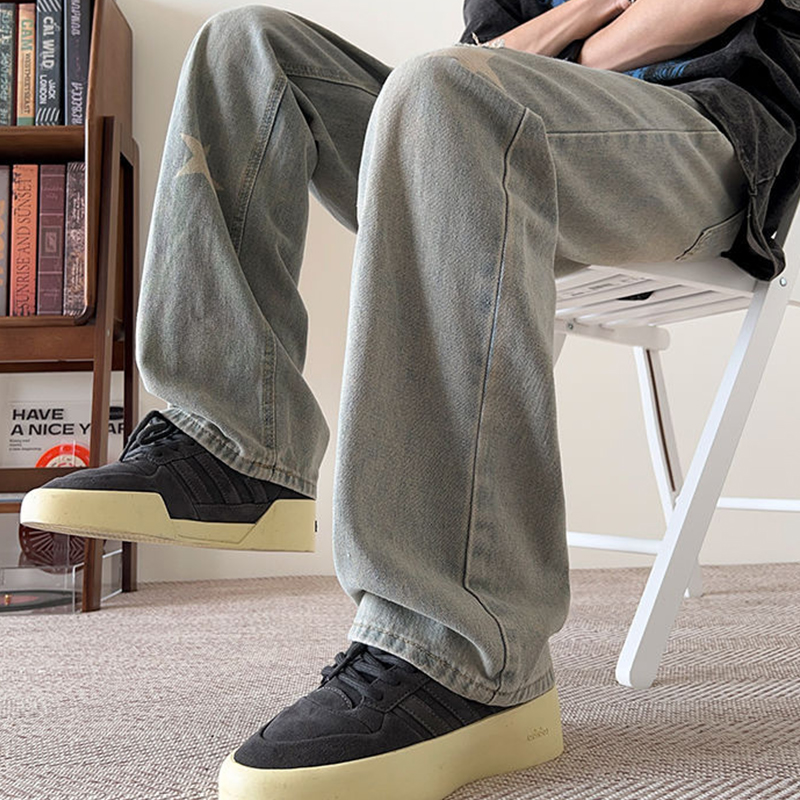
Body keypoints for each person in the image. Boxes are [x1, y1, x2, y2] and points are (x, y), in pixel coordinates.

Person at [20, 0, 800, 798]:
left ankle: (461, 647)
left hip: (703, 135)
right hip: (498, 133)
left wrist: (564, 51)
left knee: (449, 91)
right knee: (245, 47)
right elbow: (494, 50)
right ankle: (232, 444)